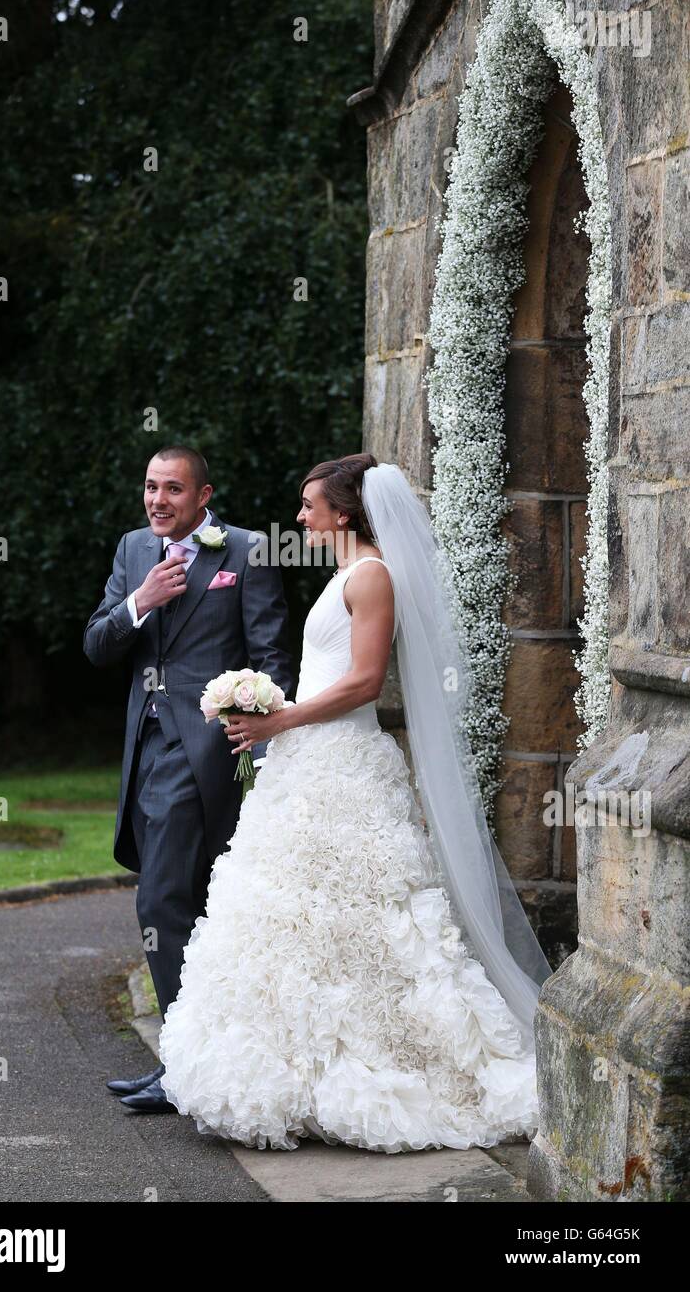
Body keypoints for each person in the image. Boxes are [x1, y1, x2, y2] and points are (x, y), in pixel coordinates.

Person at [156, 452, 555, 1152]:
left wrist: (280, 717)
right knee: (297, 921)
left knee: (370, 923)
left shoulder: (371, 576)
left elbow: (367, 681)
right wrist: (275, 712)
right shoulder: (348, 574)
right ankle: (300, 1073)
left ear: (343, 512)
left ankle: (380, 1069)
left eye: (311, 506)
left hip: (342, 764)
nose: (302, 517)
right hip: (310, 762)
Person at [83, 445, 293, 1112]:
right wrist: (138, 604)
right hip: (145, 753)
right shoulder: (131, 551)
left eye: (173, 488)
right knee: (184, 904)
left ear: (204, 496)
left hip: (208, 752)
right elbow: (96, 645)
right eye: (150, 487)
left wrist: (254, 744)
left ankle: (183, 1065)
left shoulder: (246, 551)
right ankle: (200, 1064)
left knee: (162, 903)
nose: (157, 500)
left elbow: (270, 659)